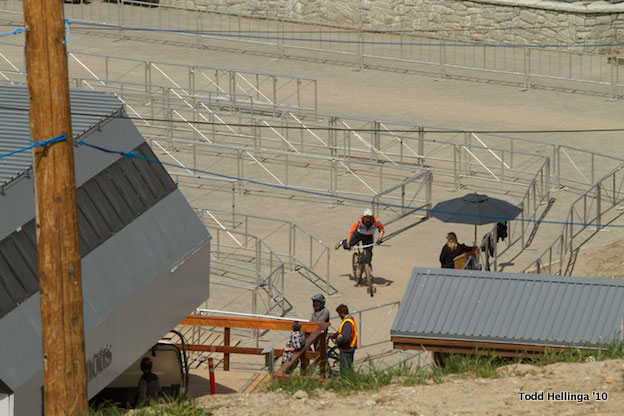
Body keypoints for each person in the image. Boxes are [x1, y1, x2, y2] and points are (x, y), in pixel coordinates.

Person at [329, 304, 358, 378]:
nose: (339, 315)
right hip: (350, 347)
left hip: (347, 349)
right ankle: (350, 380)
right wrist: (334, 335)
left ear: (342, 313)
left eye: (339, 313)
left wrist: (337, 340)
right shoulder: (350, 319)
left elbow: (346, 337)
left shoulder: (347, 323)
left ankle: (345, 382)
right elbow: (342, 332)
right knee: (348, 366)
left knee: (345, 368)